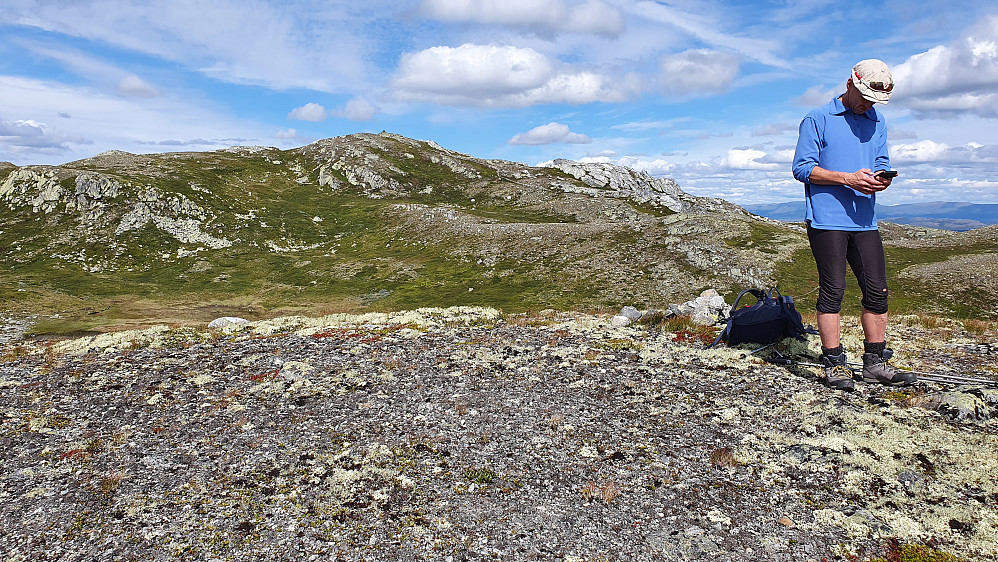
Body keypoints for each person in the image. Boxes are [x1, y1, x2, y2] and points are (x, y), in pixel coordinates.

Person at [791, 59, 915, 391]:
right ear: (850, 84)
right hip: (826, 219)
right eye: (864, 97)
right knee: (833, 292)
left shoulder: (877, 119)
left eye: (874, 100)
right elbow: (802, 169)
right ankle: (834, 365)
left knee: (878, 291)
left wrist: (881, 178)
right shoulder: (817, 118)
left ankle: (875, 364)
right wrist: (846, 178)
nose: (868, 105)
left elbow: (881, 160)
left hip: (865, 220)